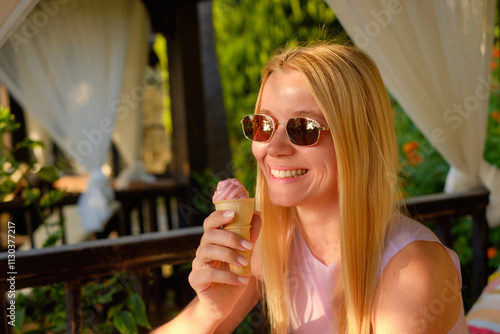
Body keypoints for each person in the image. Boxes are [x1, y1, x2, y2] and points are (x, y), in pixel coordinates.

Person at [153, 43, 468, 333]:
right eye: (262, 125)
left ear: (357, 142)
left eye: (303, 129)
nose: (273, 148)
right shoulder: (273, 242)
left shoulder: (412, 271)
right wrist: (208, 312)